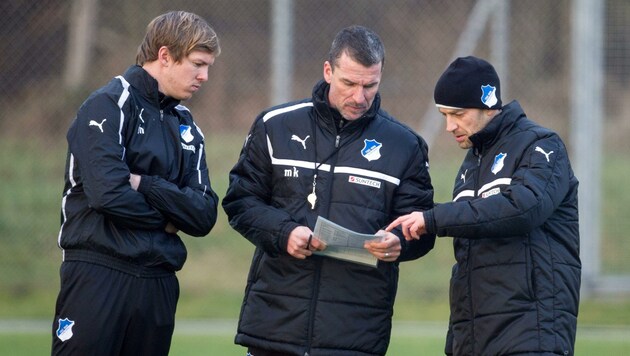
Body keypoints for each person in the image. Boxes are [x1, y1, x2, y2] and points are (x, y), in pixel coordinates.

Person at [222, 25, 435, 356]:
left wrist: (400, 243)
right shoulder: (275, 126)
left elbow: (420, 225)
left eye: (370, 85)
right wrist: (283, 232)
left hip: (355, 333)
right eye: (349, 83)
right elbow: (240, 201)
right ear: (328, 71)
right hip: (276, 326)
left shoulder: (404, 145)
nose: (360, 97)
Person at [386, 56, 581, 356]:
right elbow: (468, 256)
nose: (450, 126)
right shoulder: (470, 165)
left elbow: (523, 208)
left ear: (488, 102)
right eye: (444, 115)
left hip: (530, 336)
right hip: (475, 340)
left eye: (458, 114)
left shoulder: (542, 146)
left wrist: (434, 218)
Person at [51, 11, 220, 355]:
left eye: (208, 67)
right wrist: (169, 220)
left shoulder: (187, 127)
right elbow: (107, 194)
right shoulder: (107, 105)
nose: (204, 76)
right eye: (198, 64)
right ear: (165, 56)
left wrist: (146, 184)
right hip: (99, 273)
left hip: (158, 282)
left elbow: (203, 215)